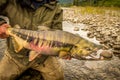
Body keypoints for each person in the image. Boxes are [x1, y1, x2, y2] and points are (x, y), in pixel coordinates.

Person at [0, 0, 64, 80]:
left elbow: (58, 34)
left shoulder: (55, 7)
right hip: (15, 56)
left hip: (43, 58)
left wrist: (60, 51)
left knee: (58, 76)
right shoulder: (12, 2)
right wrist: (1, 24)